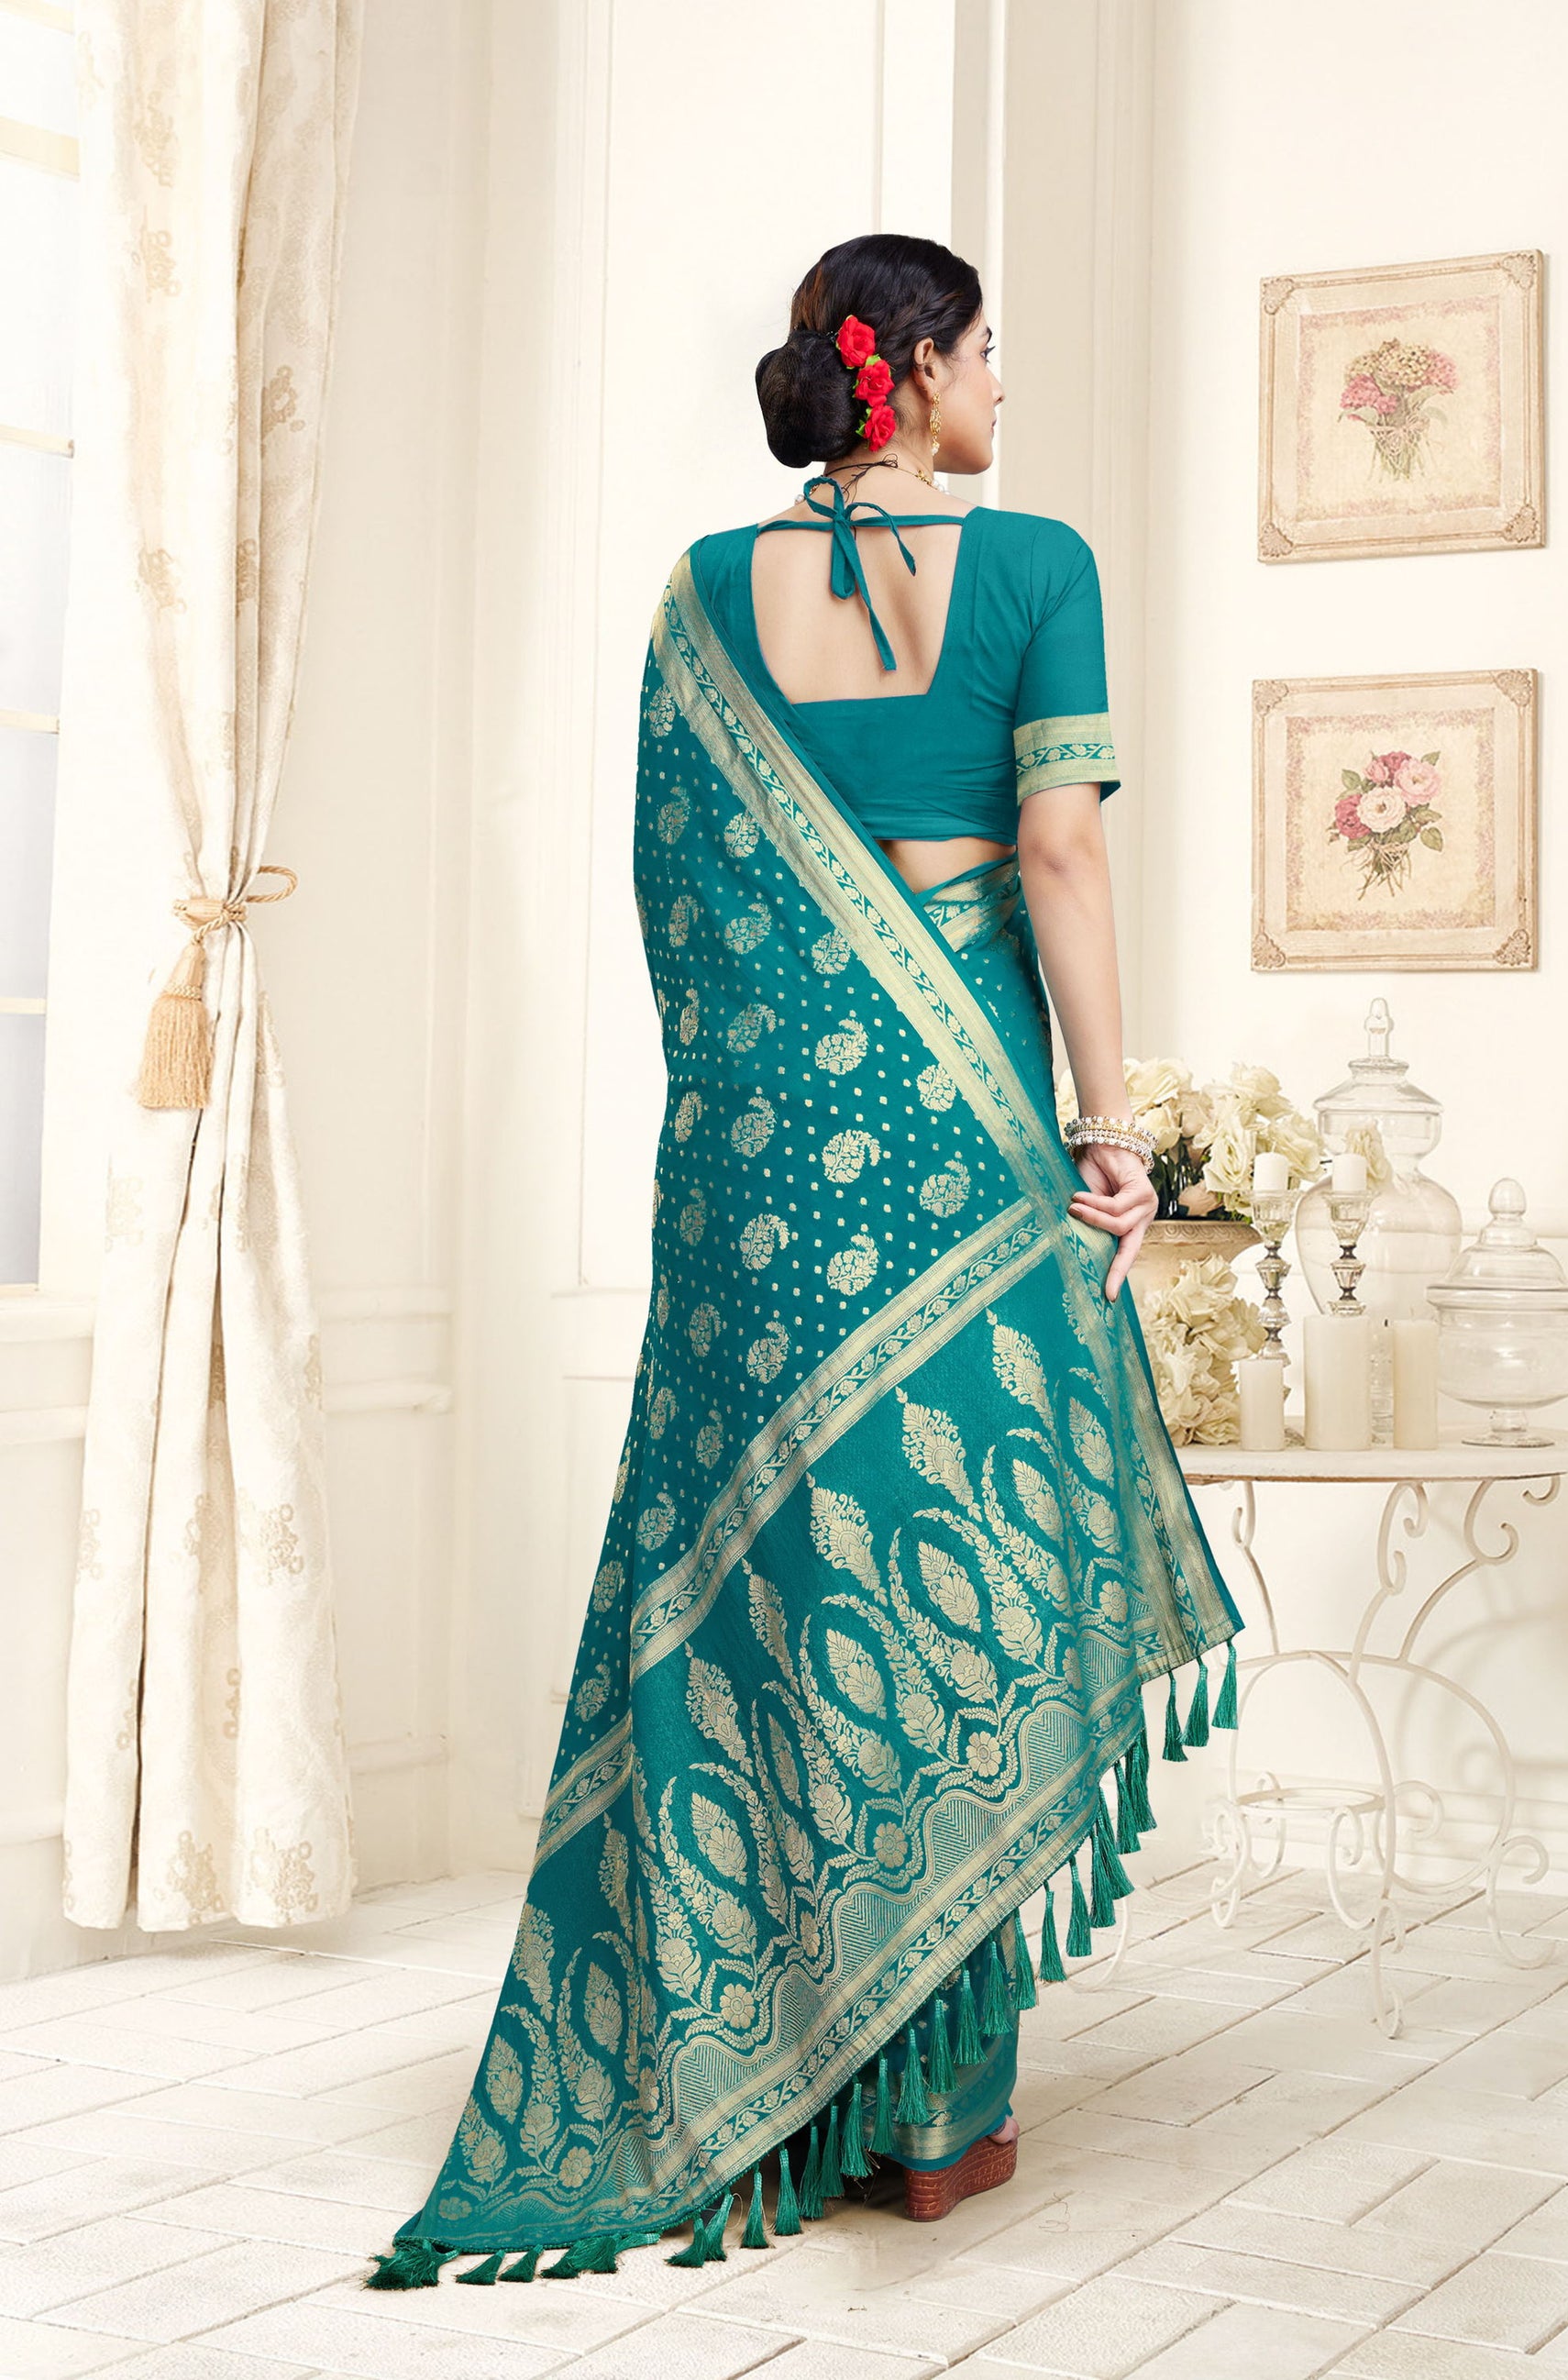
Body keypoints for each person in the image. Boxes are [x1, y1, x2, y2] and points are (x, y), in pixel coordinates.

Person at [366, 232, 1242, 2290]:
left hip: (753, 1162)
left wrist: (750, 1123)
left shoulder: (696, 592)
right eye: (987, 350)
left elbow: (675, 901)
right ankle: (928, 2115)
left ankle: (764, 2072)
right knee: (953, 1553)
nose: (1002, 386)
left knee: (770, 1572)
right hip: (955, 1131)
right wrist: (1113, 1127)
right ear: (912, 366)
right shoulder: (1035, 565)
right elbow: (1060, 853)